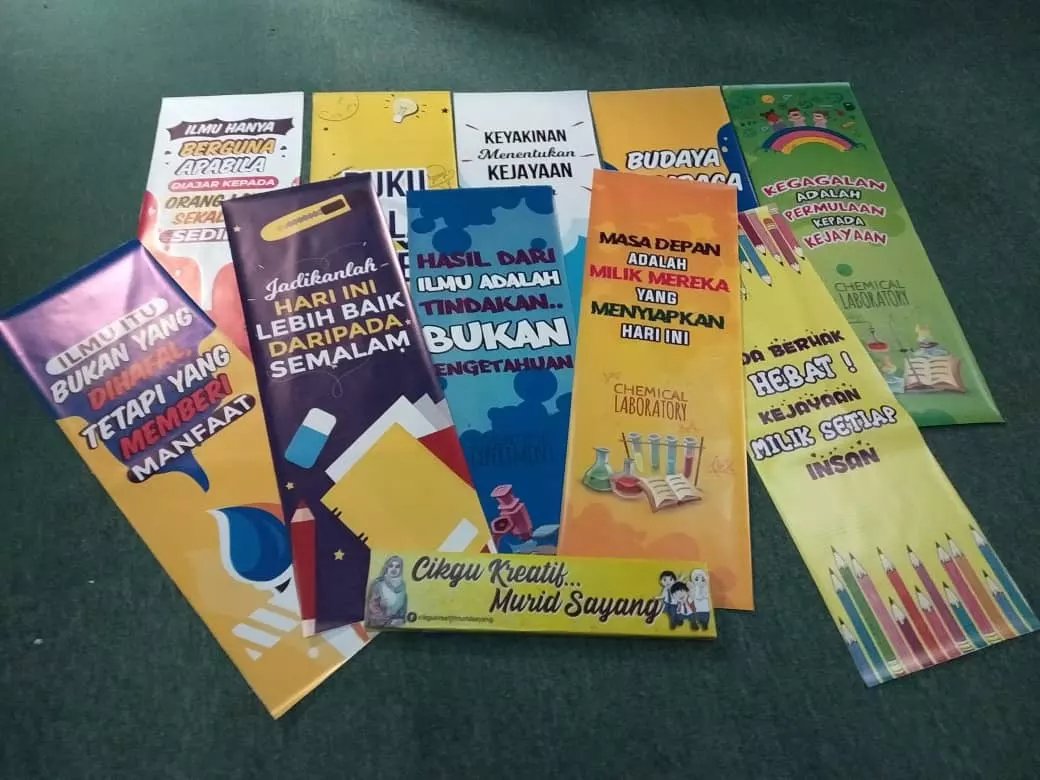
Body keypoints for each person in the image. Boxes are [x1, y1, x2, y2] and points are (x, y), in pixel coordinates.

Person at [366, 555, 408, 627]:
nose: (393, 569)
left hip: (396, 626)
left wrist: (400, 619)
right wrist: (387, 621)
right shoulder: (378, 584)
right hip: (378, 623)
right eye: (391, 566)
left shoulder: (402, 587)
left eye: (397, 567)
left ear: (401, 569)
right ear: (386, 568)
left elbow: (402, 611)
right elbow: (372, 606)